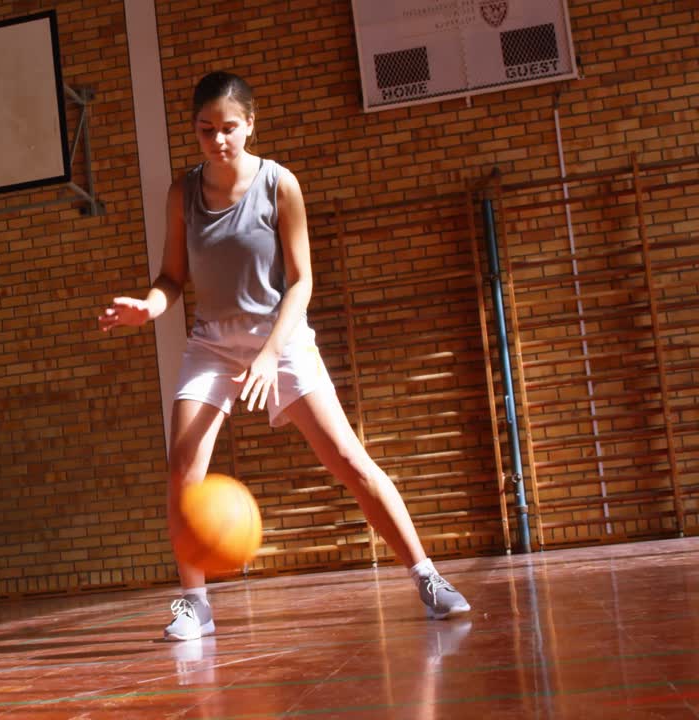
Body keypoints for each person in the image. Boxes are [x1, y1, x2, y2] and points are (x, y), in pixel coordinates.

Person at [99, 71, 470, 641]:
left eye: (228, 128)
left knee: (349, 459)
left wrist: (271, 355)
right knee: (182, 470)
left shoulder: (279, 184)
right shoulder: (183, 193)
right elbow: (171, 277)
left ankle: (427, 577)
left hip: (282, 338)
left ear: (250, 124)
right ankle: (194, 604)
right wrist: (148, 308)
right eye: (205, 130)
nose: (217, 140)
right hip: (213, 344)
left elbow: (301, 282)